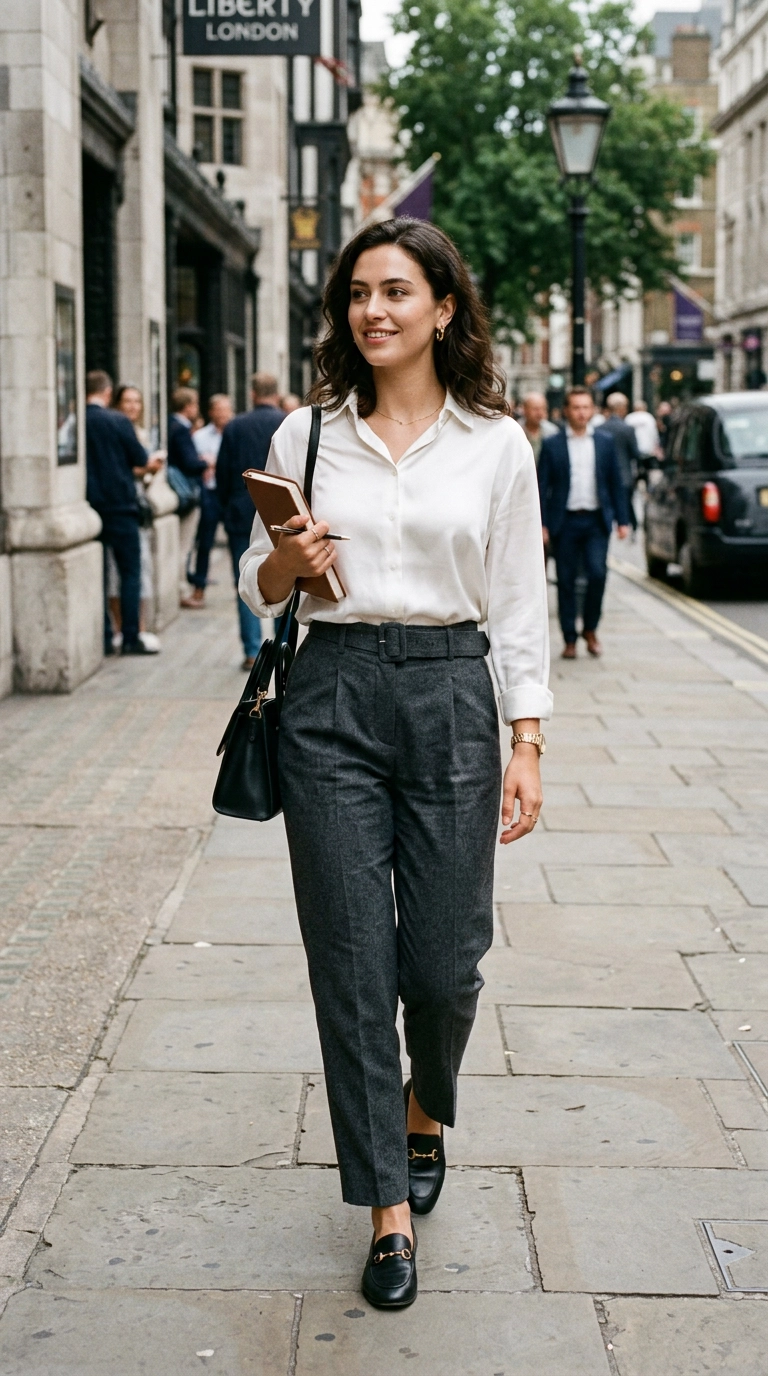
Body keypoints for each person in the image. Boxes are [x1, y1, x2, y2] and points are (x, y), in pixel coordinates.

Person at [239, 217, 552, 1310]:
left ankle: (426, 1107)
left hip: (455, 692)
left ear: (443, 308)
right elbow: (257, 585)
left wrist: (528, 737)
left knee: (448, 959)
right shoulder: (307, 435)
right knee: (354, 963)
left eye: (397, 292)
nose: (374, 310)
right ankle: (384, 1210)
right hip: (330, 697)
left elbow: (519, 599)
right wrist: (288, 556)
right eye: (359, 293)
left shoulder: (497, 444)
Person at [538, 385, 630, 660]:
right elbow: (541, 486)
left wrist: (622, 520)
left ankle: (590, 629)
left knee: (597, 575)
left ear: (592, 410)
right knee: (565, 581)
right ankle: (569, 639)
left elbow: (616, 482)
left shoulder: (604, 442)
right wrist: (541, 523)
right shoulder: (553, 444)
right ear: (566, 411)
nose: (581, 412)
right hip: (564, 522)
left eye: (585, 407)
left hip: (595, 521)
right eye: (576, 407)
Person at [85, 371, 159, 656]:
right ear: (107, 393)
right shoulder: (118, 421)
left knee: (101, 575)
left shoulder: (80, 421)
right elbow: (140, 459)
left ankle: (105, 635)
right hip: (121, 507)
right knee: (130, 573)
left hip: (93, 506)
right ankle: (130, 635)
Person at [216, 373, 286, 669]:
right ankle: (283, 646)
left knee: (245, 578)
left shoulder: (235, 426)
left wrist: (226, 506)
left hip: (242, 512)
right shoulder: (289, 423)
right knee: (287, 579)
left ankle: (252, 650)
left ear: (253, 393)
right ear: (276, 392)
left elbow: (223, 473)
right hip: (284, 516)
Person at [108, 384, 165, 650]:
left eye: (137, 401)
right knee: (121, 572)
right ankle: (122, 628)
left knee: (139, 571)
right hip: (123, 506)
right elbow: (131, 467)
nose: (132, 406)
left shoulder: (141, 433)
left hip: (139, 507)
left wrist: (150, 472)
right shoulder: (116, 428)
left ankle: (137, 627)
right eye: (127, 401)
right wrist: (146, 469)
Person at [182, 393, 233, 609]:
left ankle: (242, 588)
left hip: (229, 494)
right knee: (205, 543)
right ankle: (199, 588)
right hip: (209, 494)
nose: (222, 414)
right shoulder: (199, 437)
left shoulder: (236, 434)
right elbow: (192, 465)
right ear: (211, 412)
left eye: (226, 409)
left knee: (239, 543)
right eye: (218, 409)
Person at [600, 392, 642, 532]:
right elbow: (635, 453)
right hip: (624, 475)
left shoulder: (600, 429)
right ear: (622, 408)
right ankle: (629, 526)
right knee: (625, 504)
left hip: (604, 477)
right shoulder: (627, 429)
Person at [521, 391, 559, 464]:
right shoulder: (516, 430)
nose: (539, 413)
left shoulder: (552, 431)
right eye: (535, 409)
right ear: (525, 409)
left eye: (543, 409)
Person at [626, 399, 660, 475]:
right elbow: (654, 434)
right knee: (648, 470)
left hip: (634, 449)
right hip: (648, 448)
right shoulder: (649, 417)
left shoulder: (629, 418)